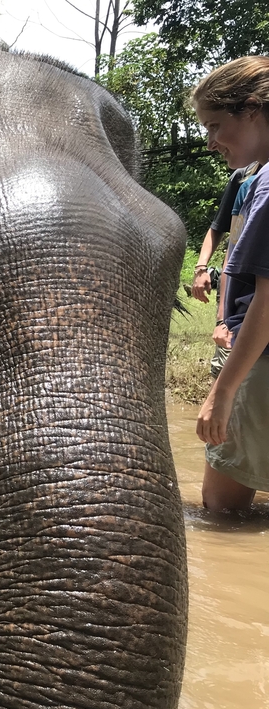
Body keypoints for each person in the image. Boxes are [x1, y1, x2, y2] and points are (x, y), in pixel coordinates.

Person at [191, 56, 269, 512]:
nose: (209, 141)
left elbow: (268, 298)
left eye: (215, 124)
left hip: (261, 356)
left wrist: (222, 393)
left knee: (220, 511)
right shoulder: (249, 180)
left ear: (254, 109)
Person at [193, 162, 261, 378]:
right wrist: (201, 267)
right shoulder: (244, 179)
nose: (212, 144)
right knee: (225, 368)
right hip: (237, 298)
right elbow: (221, 233)